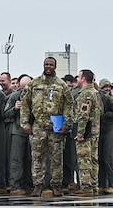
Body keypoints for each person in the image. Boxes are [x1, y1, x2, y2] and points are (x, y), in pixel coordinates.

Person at [22, 55, 65, 198]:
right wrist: (25, 123)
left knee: (57, 158)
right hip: (38, 126)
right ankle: (37, 185)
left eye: (51, 65)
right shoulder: (34, 84)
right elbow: (25, 104)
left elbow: (69, 105)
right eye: (46, 64)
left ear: (55, 67)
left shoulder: (61, 85)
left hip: (56, 126)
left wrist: (67, 123)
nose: (48, 67)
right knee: (37, 158)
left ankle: (57, 185)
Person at [71, 71, 102, 198]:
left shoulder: (85, 94)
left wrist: (80, 133)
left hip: (86, 132)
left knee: (84, 159)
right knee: (93, 159)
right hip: (95, 131)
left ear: (83, 78)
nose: (77, 78)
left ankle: (86, 187)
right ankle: (94, 185)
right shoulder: (96, 93)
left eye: (79, 76)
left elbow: (83, 115)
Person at [6, 74, 31, 195]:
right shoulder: (14, 96)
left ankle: (29, 185)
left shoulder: (36, 96)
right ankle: (15, 185)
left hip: (33, 132)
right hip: (18, 131)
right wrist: (14, 109)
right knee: (16, 160)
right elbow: (5, 114)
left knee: (31, 160)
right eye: (23, 87)